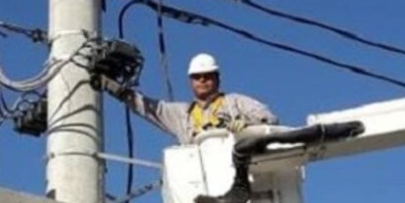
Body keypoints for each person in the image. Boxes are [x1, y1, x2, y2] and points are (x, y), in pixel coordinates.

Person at [102, 53, 278, 145]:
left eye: (207, 76)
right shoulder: (182, 113)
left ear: (217, 78)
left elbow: (270, 119)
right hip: (199, 174)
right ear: (190, 80)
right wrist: (114, 88)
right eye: (197, 76)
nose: (202, 80)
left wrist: (248, 125)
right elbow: (147, 107)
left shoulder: (235, 102)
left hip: (233, 167)